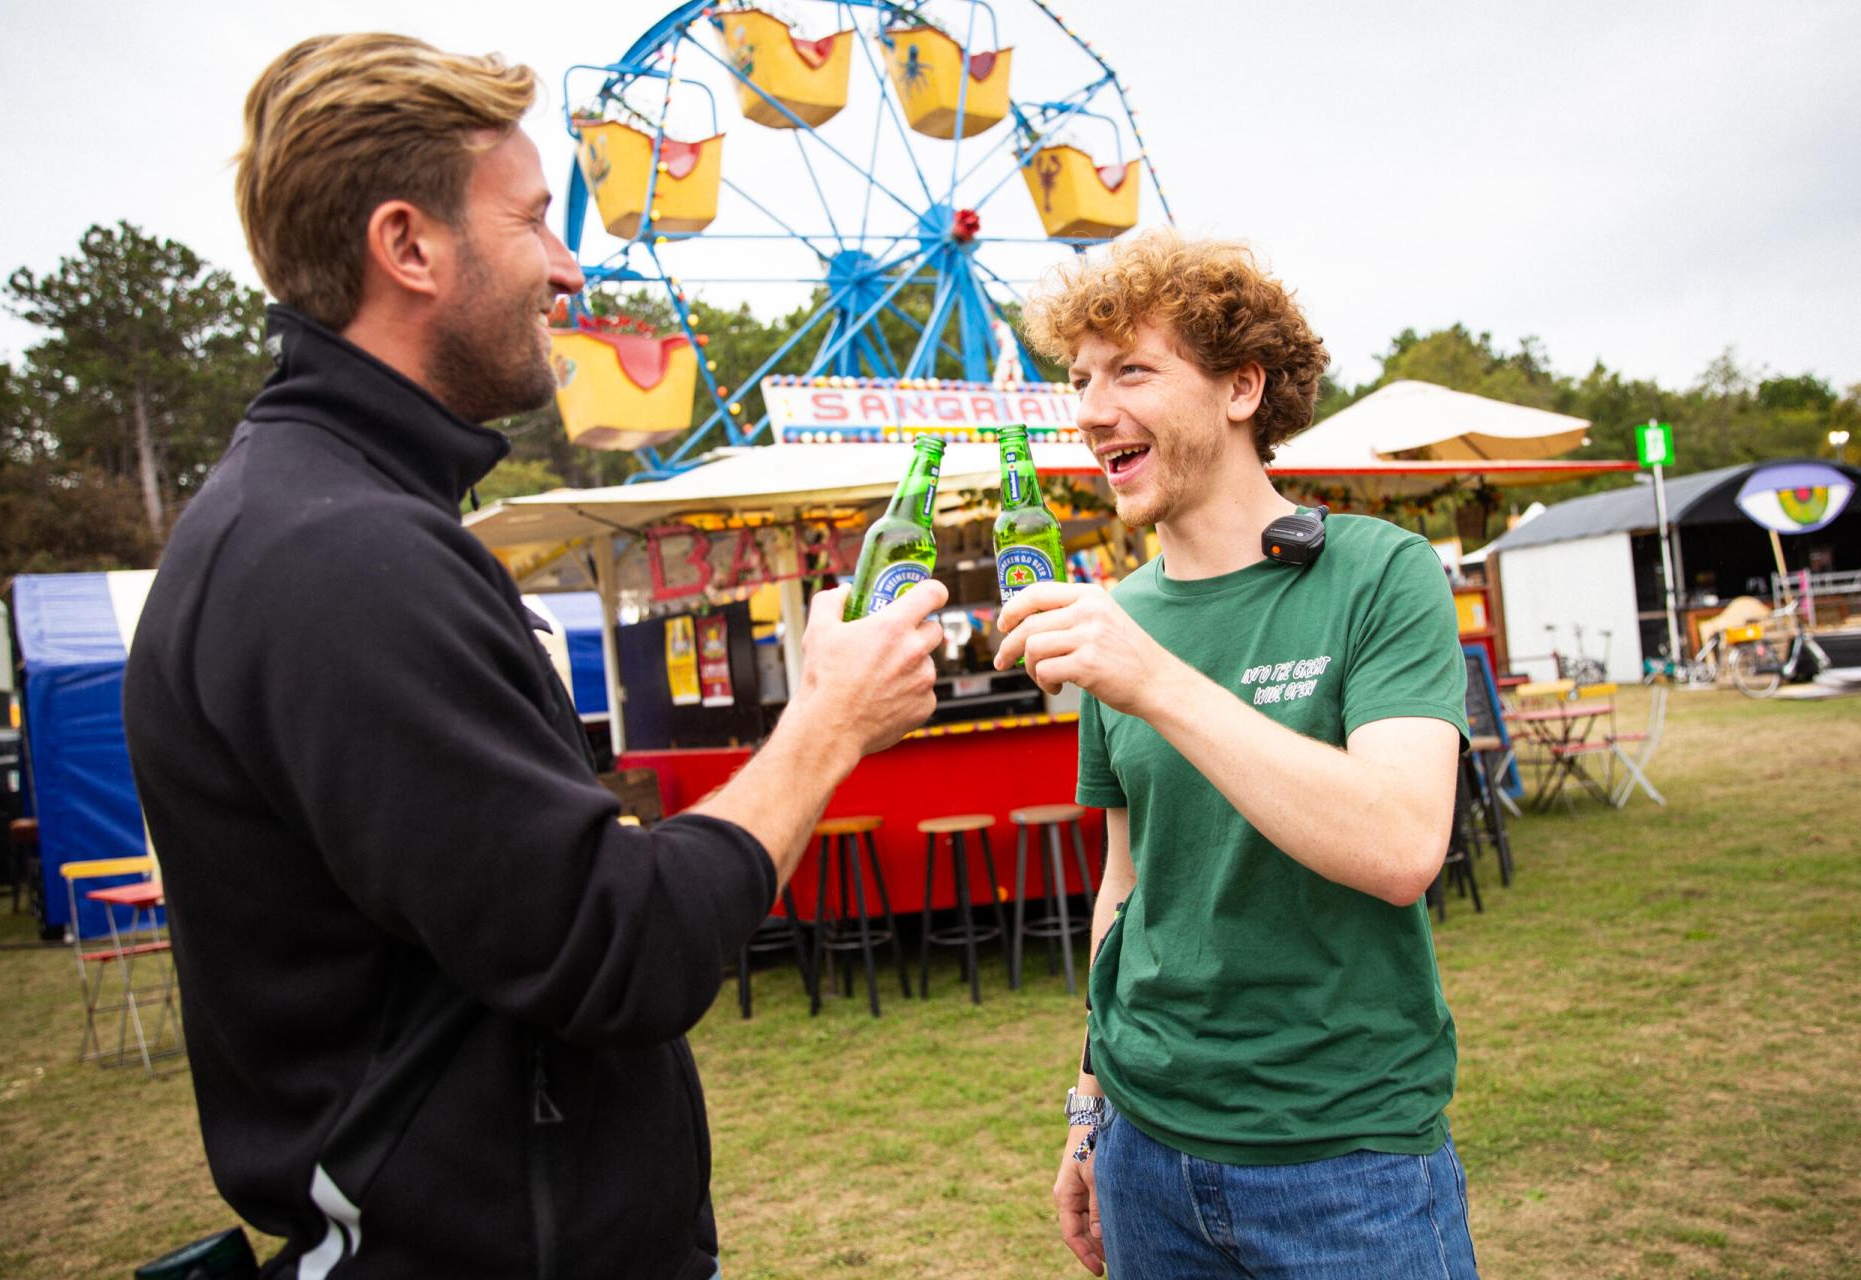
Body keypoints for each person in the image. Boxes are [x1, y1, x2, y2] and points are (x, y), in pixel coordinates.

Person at [122, 34, 945, 1280]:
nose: (568, 268)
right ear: (408, 247)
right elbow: (619, 950)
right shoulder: (334, 559)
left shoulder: (333, 519)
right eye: (534, 220)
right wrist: (827, 721)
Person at [995, 229, 1479, 1278]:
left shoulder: (1374, 573)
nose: (1088, 409)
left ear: (1241, 386)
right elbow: (1126, 887)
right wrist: (1088, 1103)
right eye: (1080, 378)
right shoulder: (1113, 619)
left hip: (1345, 1165)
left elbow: (1401, 843)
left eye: (1131, 368)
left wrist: (1155, 678)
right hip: (1145, 1153)